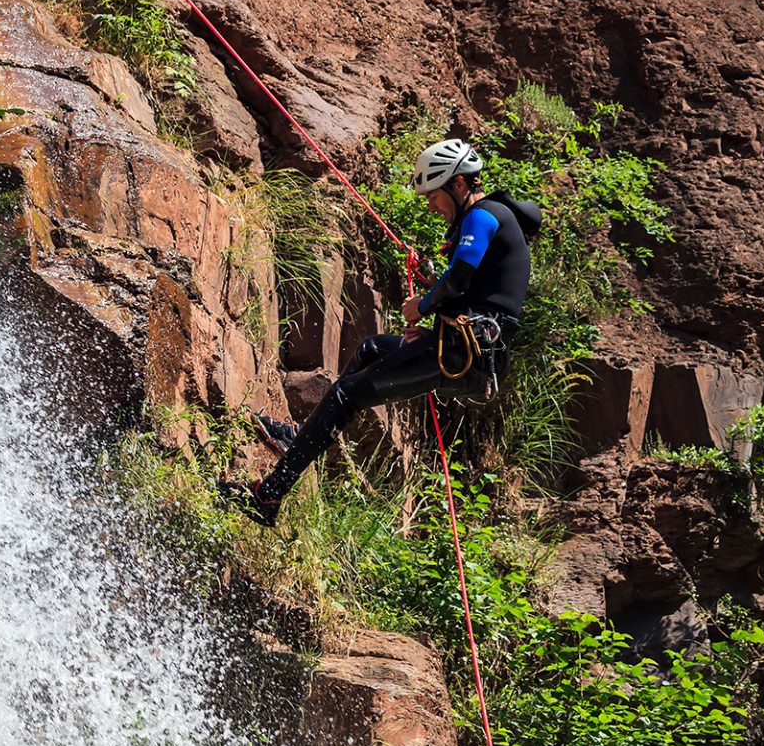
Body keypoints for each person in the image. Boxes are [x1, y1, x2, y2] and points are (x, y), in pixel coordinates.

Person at [218, 138, 539, 527]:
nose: (431, 207)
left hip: (463, 349)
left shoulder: (484, 215)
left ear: (458, 185)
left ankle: (267, 497)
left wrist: (420, 307)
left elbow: (458, 281)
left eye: (434, 197)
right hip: (463, 346)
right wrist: (438, 318)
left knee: (346, 393)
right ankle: (301, 435)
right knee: (372, 349)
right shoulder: (490, 219)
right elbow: (476, 292)